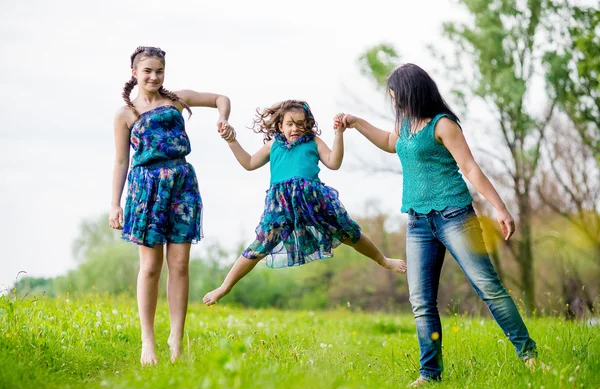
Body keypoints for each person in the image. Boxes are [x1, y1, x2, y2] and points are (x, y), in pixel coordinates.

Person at [339, 63, 537, 387]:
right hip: (417, 222)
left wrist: (500, 208)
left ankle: (529, 356)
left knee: (488, 287)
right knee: (420, 301)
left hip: (455, 215)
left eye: (397, 96)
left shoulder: (443, 124)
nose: (394, 103)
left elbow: (470, 168)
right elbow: (391, 142)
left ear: (412, 92)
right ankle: (430, 374)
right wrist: (357, 123)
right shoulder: (403, 123)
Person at [202, 100, 406, 306]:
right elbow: (249, 163)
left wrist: (339, 135)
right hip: (281, 207)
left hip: (314, 203)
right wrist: (232, 141)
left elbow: (334, 162)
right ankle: (225, 286)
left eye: (300, 124)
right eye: (290, 124)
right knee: (260, 245)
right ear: (280, 125)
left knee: (349, 231)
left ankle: (383, 260)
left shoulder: (314, 142)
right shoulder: (273, 145)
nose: (295, 129)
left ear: (307, 125)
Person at [108, 46, 233, 365]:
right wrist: (115, 204)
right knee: (150, 267)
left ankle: (176, 338)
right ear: (134, 73)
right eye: (147, 71)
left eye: (159, 70)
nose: (154, 76)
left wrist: (222, 119)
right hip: (145, 189)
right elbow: (122, 161)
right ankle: (147, 341)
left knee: (179, 265)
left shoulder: (177, 99)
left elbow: (221, 98)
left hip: (181, 184)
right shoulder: (124, 114)